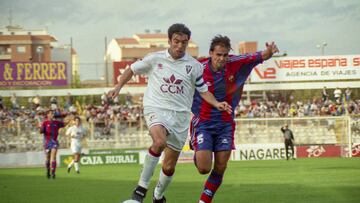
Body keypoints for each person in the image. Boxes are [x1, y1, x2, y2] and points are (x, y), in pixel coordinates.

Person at [108, 23, 231, 203]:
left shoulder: (195, 66)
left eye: (184, 42)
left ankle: (158, 196)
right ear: (169, 41)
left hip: (180, 118)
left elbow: (203, 90)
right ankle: (140, 189)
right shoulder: (154, 59)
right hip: (156, 109)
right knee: (159, 142)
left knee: (169, 166)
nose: (179, 46)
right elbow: (131, 70)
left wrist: (217, 103)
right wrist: (118, 87)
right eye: (176, 41)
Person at [190, 35, 279, 203]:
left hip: (225, 123)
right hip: (203, 122)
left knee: (221, 166)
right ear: (211, 53)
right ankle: (198, 150)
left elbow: (260, 56)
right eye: (218, 54)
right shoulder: (197, 67)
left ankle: (204, 201)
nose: (221, 58)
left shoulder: (237, 62)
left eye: (225, 55)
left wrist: (269, 51)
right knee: (203, 168)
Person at [40, 110, 66, 179]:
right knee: (48, 158)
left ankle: (53, 172)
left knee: (53, 156)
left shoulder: (56, 122)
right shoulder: (45, 123)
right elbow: (41, 131)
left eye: (53, 114)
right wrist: (41, 129)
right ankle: (48, 170)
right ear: (48, 115)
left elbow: (64, 124)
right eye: (51, 113)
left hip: (54, 142)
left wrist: (70, 119)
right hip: (47, 142)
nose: (52, 115)